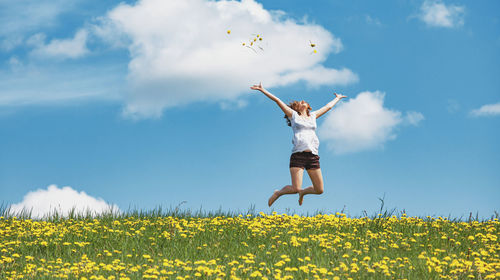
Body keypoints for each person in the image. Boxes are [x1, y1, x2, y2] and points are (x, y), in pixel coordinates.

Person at [250, 82, 347, 206]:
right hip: (298, 155)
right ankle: (278, 193)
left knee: (319, 190)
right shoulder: (294, 116)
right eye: (300, 102)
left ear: (308, 106)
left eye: (304, 101)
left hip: (312, 156)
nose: (302, 101)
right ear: (296, 108)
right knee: (295, 188)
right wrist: (263, 90)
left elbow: (328, 107)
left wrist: (337, 98)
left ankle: (303, 193)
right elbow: (277, 100)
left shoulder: (313, 116)